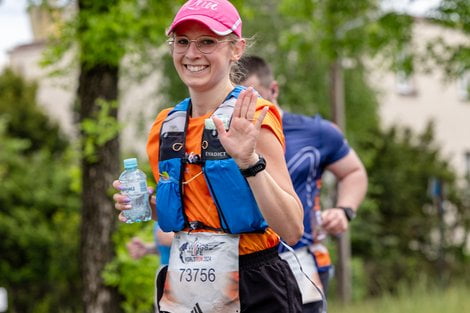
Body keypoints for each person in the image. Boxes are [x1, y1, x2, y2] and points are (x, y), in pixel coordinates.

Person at [113, 1, 304, 312]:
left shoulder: (253, 118)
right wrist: (147, 205)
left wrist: (248, 161)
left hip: (254, 283)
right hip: (185, 283)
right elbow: (194, 213)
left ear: (236, 49)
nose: (191, 54)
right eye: (182, 41)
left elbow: (293, 229)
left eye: (207, 42)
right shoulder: (165, 125)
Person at [237, 55, 368, 313]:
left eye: (253, 97)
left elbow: (354, 172)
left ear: (273, 89)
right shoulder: (221, 135)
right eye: (236, 97)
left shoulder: (317, 132)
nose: (244, 106)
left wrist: (344, 210)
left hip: (299, 256)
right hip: (241, 263)